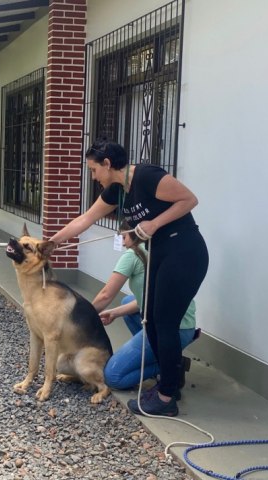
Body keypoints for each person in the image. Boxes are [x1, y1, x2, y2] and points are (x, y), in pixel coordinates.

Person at [50, 140, 209, 416]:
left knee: (164, 322)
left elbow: (190, 200)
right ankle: (171, 376)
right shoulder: (117, 192)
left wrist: (154, 224)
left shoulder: (147, 177)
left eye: (93, 170)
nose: (93, 176)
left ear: (107, 164)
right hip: (161, 252)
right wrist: (50, 243)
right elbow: (85, 219)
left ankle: (167, 397)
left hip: (185, 252)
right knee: (154, 320)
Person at [91, 226, 198, 393]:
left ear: (134, 235)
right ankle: (164, 355)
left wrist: (82, 315)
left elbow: (106, 295)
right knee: (128, 301)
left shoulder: (133, 254)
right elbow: (149, 299)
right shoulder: (161, 248)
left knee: (113, 376)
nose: (124, 243)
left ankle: (173, 364)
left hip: (172, 329)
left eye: (124, 237)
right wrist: (114, 313)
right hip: (185, 326)